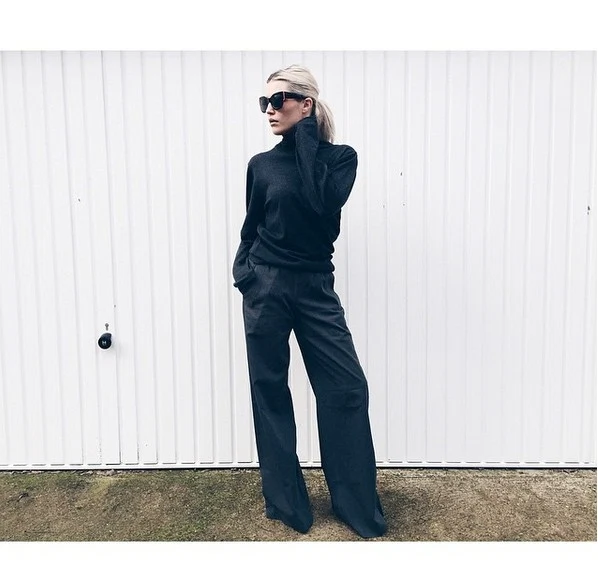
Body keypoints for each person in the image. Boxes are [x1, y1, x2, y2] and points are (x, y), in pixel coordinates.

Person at [232, 64, 387, 539]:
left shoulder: (339, 159)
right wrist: (245, 274)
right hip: (266, 285)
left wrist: (307, 137)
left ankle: (355, 505)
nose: (269, 110)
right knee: (270, 391)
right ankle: (286, 503)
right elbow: (252, 225)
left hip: (316, 286)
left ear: (307, 104)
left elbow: (321, 202)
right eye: (265, 102)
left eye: (278, 100)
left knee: (346, 389)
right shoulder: (261, 165)